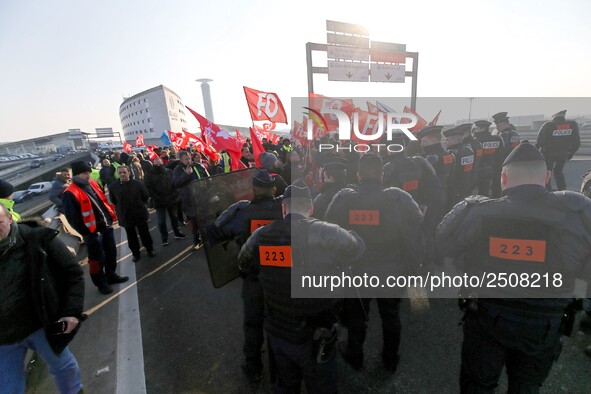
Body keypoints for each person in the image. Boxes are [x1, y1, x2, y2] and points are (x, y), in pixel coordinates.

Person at [437, 141, 591, 393]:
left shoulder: (478, 211)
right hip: (545, 322)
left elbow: (445, 246)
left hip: (487, 316)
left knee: (477, 385)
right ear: (548, 176)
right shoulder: (578, 212)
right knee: (526, 387)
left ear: (504, 178)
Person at [237, 183, 365, 393]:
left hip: (278, 332)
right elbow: (357, 248)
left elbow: (243, 264)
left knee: (286, 386)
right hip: (316, 336)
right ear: (311, 208)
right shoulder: (327, 232)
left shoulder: (261, 236)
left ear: (284, 209)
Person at [325, 153, 424, 372]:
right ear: (381, 174)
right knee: (390, 315)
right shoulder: (399, 198)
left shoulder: (344, 197)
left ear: (358, 174)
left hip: (356, 271)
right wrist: (414, 268)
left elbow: (329, 230)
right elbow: (416, 226)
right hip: (391, 270)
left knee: (357, 316)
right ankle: (390, 360)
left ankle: (355, 356)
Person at [0, 203, 85, 394]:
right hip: (4, 337)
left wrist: (71, 312)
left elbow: (72, 274)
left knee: (64, 368)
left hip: (41, 325)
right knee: (8, 388)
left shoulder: (37, 240)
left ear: (10, 219)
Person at [208, 169, 283, 383]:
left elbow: (214, 234)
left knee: (253, 324)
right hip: (283, 280)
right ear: (274, 189)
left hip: (255, 279)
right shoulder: (286, 209)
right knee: (284, 324)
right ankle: (282, 370)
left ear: (253, 189)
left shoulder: (241, 211)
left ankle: (253, 368)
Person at [62, 161, 128, 294]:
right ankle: (101, 283)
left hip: (105, 227)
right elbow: (73, 218)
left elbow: (102, 202)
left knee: (110, 253)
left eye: (89, 173)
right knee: (96, 259)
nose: (88, 175)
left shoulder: (92, 184)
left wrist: (109, 220)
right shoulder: (70, 193)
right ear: (77, 175)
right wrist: (88, 232)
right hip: (91, 232)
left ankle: (111, 275)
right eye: (85, 173)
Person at [108, 165, 155, 262]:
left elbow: (145, 196)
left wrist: (139, 205)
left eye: (124, 172)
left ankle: (149, 249)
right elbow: (113, 200)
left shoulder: (137, 184)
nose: (122, 174)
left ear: (129, 173)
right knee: (131, 236)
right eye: (120, 172)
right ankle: (136, 253)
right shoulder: (113, 186)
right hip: (125, 215)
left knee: (144, 234)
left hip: (139, 213)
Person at [144, 157, 186, 246]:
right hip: (159, 202)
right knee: (161, 221)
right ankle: (164, 238)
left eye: (160, 164)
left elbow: (174, 185)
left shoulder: (168, 172)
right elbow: (149, 189)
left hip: (170, 199)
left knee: (174, 218)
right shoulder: (149, 174)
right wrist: (157, 198)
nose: (159, 165)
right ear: (153, 164)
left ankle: (177, 232)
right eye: (157, 164)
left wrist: (174, 196)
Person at [172, 150, 210, 249]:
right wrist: (186, 174)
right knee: (193, 222)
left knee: (205, 220)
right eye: (186, 159)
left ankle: (208, 239)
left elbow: (208, 178)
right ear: (181, 160)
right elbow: (175, 183)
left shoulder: (198, 166)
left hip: (201, 198)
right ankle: (196, 241)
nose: (188, 161)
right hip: (188, 201)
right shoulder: (177, 170)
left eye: (189, 158)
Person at [536, 109, 580, 191]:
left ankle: (547, 190)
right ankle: (562, 190)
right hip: (563, 153)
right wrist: (570, 153)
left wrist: (535, 152)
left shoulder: (548, 125)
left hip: (548, 153)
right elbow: (576, 142)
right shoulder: (572, 125)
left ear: (554, 115)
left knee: (548, 171)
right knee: (558, 171)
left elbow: (540, 141)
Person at [443, 127, 475, 208]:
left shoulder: (452, 153)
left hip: (454, 188)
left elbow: (449, 172)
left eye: (447, 140)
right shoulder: (469, 149)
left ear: (454, 141)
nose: (445, 142)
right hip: (467, 184)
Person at [472, 120, 505, 197]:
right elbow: (501, 154)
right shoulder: (497, 139)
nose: (475, 130)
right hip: (495, 169)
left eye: (477, 128)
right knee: (495, 191)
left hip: (480, 169)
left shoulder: (476, 140)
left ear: (482, 129)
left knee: (480, 192)